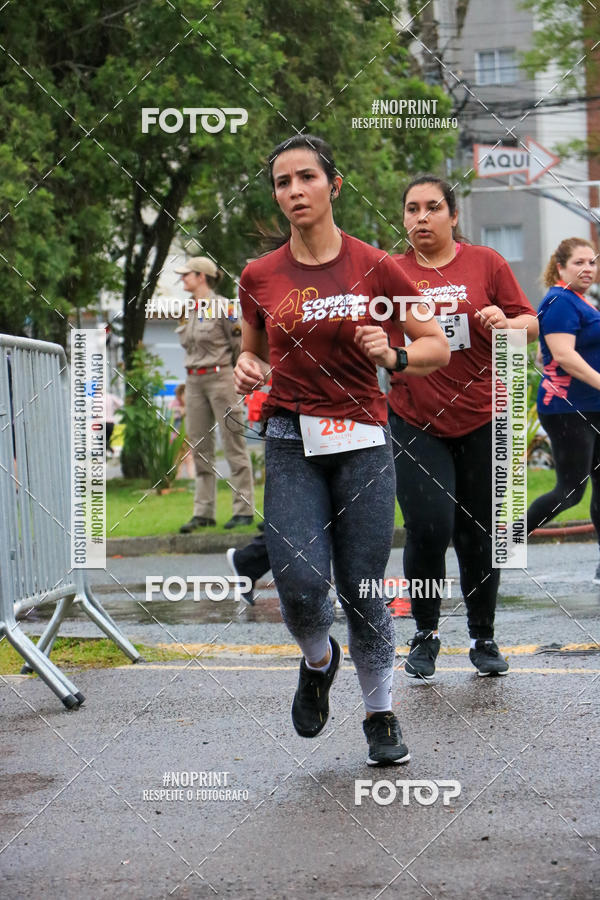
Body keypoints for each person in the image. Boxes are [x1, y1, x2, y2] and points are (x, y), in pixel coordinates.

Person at [235, 135, 449, 765]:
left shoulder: (378, 267)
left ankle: (380, 715)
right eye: (282, 182)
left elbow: (434, 344)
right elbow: (251, 349)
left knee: (362, 588)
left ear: (334, 185)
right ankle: (317, 661)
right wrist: (247, 366)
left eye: (306, 178)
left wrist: (395, 355)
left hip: (361, 440)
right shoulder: (260, 275)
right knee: (301, 587)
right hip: (289, 439)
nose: (294, 191)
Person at [387, 175, 538, 680]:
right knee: (428, 526)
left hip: (482, 416)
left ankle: (483, 637)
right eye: (412, 209)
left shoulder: (486, 264)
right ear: (404, 218)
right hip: (414, 419)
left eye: (433, 208)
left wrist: (506, 321)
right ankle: (425, 635)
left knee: (478, 531)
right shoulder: (390, 273)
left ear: (454, 216)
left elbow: (529, 323)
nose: (421, 218)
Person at [526, 238, 600, 579]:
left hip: (592, 407)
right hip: (567, 410)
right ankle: (502, 543)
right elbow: (564, 356)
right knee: (571, 492)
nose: (588, 269)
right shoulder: (558, 300)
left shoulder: (580, 301)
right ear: (561, 267)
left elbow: (547, 352)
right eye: (579, 263)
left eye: (592, 262)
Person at [174, 256, 255, 531]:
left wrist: (231, 373)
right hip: (194, 381)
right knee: (199, 447)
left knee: (233, 443)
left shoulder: (225, 307)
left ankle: (244, 510)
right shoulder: (187, 310)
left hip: (221, 377)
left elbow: (238, 344)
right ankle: (203, 512)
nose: (183, 278)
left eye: (187, 274)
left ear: (202, 276)